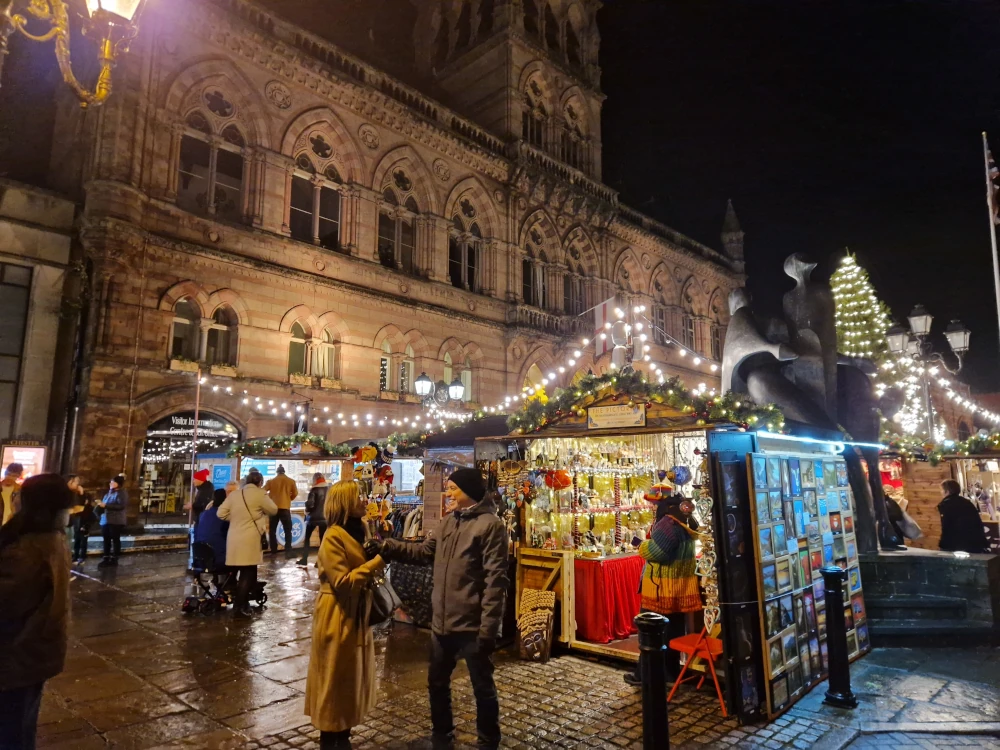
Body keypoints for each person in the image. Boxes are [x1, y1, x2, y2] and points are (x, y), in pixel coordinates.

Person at [366, 468, 508, 750]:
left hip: (472, 624)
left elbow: (495, 581)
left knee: (482, 686)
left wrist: (489, 629)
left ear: (469, 491)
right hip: (442, 622)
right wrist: (387, 547)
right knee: (437, 682)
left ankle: (488, 741)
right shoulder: (447, 522)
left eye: (454, 488)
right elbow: (423, 552)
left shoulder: (491, 526)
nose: (449, 493)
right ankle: (442, 736)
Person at [304, 480, 386, 749]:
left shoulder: (361, 529)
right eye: (358, 498)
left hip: (356, 615)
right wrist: (376, 562)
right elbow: (342, 582)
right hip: (336, 614)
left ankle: (344, 736)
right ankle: (329, 738)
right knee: (333, 678)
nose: (364, 501)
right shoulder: (333, 536)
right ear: (345, 504)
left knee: (349, 679)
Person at [0, 474, 73, 747]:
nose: (15, 497)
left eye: (22, 493)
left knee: (12, 730)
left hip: (17, 653)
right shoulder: (51, 538)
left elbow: (7, 601)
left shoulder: (30, 548)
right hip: (34, 652)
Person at [625, 492, 702, 685]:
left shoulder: (668, 523)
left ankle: (644, 675)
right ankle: (669, 673)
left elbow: (657, 552)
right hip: (677, 586)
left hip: (660, 589)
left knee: (650, 632)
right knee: (673, 632)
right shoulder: (685, 521)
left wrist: (642, 546)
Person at [218, 469, 277, 617]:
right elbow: (274, 510)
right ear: (260, 482)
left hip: (233, 538)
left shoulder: (236, 494)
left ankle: (241, 603)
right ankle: (240, 606)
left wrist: (236, 518)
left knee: (239, 571)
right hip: (250, 538)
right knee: (248, 572)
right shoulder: (260, 494)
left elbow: (220, 513)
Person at [938, 479, 989, 554]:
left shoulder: (946, 504)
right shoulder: (967, 502)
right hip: (975, 542)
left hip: (956, 544)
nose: (941, 492)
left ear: (947, 491)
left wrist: (943, 545)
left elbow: (947, 527)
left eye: (942, 490)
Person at [194, 489, 230, 579]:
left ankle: (222, 585)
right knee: (242, 564)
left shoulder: (203, 515)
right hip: (218, 560)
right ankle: (229, 585)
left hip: (200, 560)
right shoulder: (225, 517)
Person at [264, 465, 298, 556]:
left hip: (273, 508)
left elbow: (262, 491)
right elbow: (295, 493)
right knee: (287, 530)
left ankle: (273, 550)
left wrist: (270, 498)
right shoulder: (291, 481)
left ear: (277, 472)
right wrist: (288, 499)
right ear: (284, 472)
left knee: (272, 530)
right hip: (285, 508)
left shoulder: (271, 481)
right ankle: (288, 550)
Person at [298, 473, 329, 567]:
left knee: (307, 538)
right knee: (323, 540)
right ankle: (321, 561)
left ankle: (304, 559)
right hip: (325, 518)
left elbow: (310, 505)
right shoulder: (329, 489)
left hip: (313, 518)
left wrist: (307, 509)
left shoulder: (314, 490)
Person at [97, 475, 128, 568]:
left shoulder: (121, 493)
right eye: (110, 482)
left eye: (112, 482)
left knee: (115, 539)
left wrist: (106, 506)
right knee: (106, 539)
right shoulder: (109, 493)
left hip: (116, 520)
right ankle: (106, 557)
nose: (110, 484)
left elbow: (121, 506)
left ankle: (115, 558)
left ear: (118, 484)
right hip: (105, 519)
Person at [67, 475, 96, 565]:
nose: (77, 484)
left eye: (77, 481)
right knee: (74, 539)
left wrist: (82, 494)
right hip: (69, 521)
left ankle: (80, 557)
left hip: (80, 520)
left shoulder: (81, 494)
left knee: (80, 539)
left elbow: (82, 508)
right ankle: (74, 557)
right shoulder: (68, 493)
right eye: (75, 481)